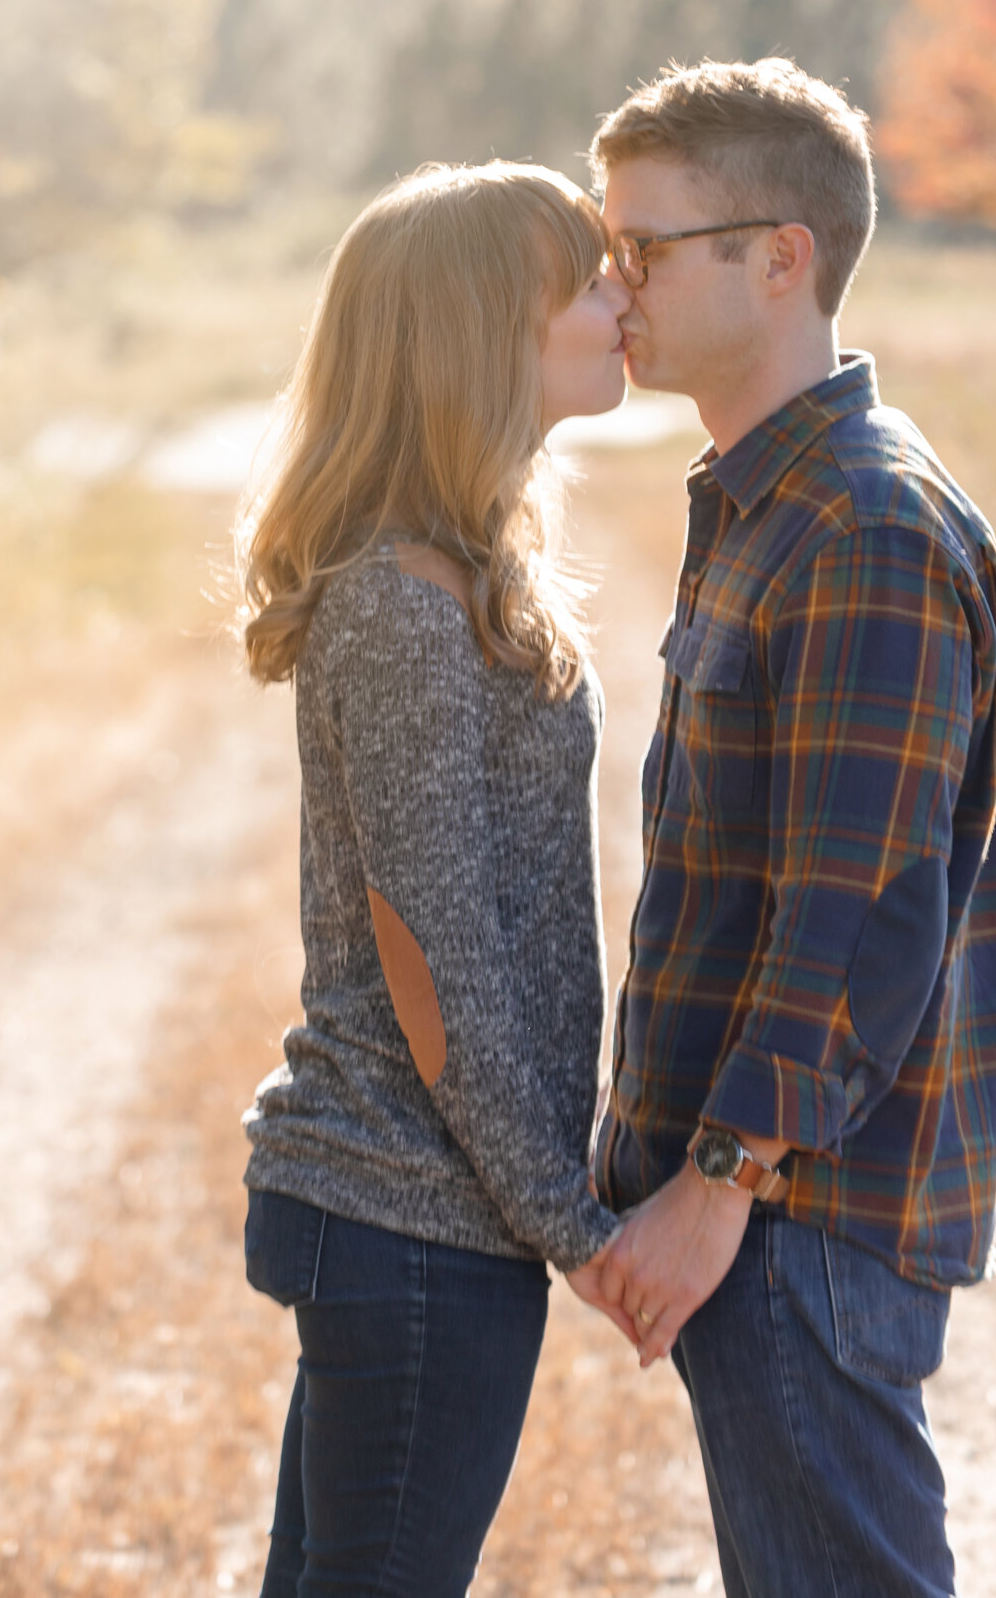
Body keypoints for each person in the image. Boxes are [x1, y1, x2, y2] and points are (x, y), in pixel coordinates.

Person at [566, 59, 996, 1597]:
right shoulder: (772, 503)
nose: (611, 282)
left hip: (796, 1218)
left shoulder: (863, 526)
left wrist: (717, 1186)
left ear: (782, 258)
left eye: (644, 247)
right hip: (769, 1212)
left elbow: (856, 912)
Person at [231, 160, 632, 1597]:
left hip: (419, 1210)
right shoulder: (401, 611)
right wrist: (567, 1219)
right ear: (478, 334)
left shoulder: (458, 580)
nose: (621, 297)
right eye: (585, 281)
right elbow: (431, 948)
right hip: (408, 1212)